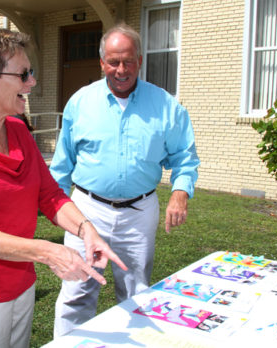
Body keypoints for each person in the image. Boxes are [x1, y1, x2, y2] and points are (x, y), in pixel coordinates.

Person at [0, 28, 127, 348]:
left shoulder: (17, 130)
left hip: (19, 281)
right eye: (23, 74)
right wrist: (48, 252)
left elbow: (49, 195)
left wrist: (87, 230)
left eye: (30, 73)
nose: (31, 82)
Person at [50, 23, 200, 337]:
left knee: (136, 293)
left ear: (140, 61)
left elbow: (185, 157)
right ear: (102, 62)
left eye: (128, 61)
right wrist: (58, 208)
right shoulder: (80, 102)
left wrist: (180, 192)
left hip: (139, 213)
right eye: (114, 61)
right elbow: (62, 165)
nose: (121, 69)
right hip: (87, 211)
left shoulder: (165, 106)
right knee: (77, 290)